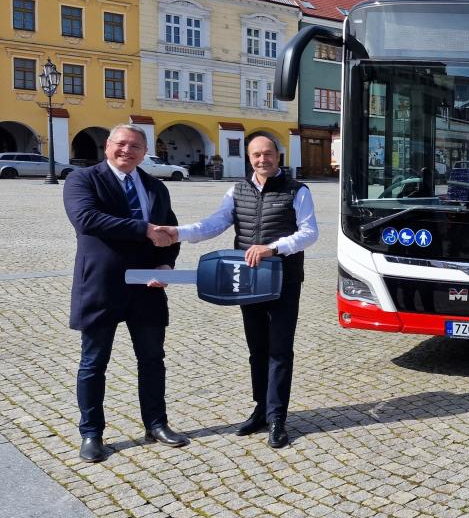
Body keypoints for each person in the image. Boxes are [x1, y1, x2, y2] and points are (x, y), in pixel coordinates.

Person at [165, 137, 317, 448]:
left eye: (268, 154)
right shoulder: (237, 190)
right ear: (250, 159)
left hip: (284, 280)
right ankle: (260, 409)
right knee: (257, 348)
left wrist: (274, 248)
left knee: (279, 349)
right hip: (249, 281)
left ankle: (277, 417)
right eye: (257, 155)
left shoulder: (297, 190)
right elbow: (215, 223)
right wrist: (178, 233)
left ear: (278, 156)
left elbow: (309, 232)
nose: (263, 159)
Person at [63, 124, 189, 463]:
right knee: (93, 363)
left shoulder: (155, 187)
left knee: (152, 360)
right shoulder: (83, 180)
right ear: (108, 145)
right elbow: (87, 219)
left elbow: (169, 231)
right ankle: (91, 434)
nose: (127, 151)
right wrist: (144, 229)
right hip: (101, 285)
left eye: (135, 146)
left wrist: (166, 265)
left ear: (144, 152)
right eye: (121, 144)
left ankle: (156, 423)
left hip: (147, 287)